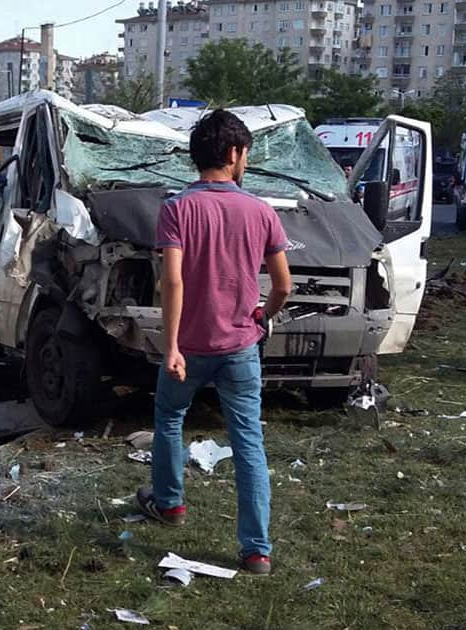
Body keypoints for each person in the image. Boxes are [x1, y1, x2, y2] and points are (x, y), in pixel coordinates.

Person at [133, 110, 292, 576]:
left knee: (169, 417)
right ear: (233, 154)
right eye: (246, 153)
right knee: (248, 443)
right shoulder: (261, 211)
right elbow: (283, 285)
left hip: (191, 347)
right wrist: (264, 315)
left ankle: (170, 504)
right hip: (240, 347)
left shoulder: (177, 208)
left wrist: (173, 346)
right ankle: (256, 551)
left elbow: (173, 282)